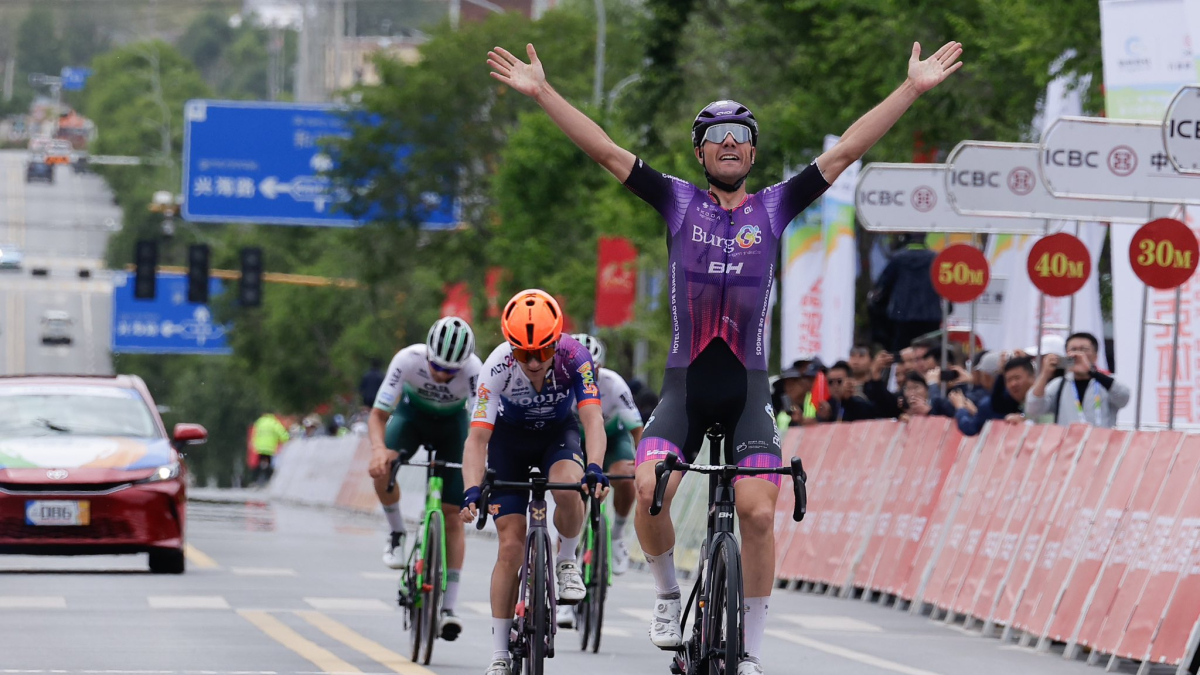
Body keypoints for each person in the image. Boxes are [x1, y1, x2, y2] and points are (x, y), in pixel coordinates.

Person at [486, 35, 963, 675]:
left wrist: (911, 88)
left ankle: (753, 652)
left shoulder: (776, 206)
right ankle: (664, 596)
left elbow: (848, 149)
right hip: (685, 388)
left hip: (747, 393)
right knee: (650, 484)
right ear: (700, 152)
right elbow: (603, 149)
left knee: (758, 512)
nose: (730, 143)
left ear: (754, 150)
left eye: (741, 134)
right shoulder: (677, 201)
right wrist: (543, 92)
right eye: (717, 136)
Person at [458, 291, 608, 675]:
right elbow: (477, 439)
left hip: (557, 436)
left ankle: (567, 559)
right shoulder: (496, 367)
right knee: (509, 545)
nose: (535, 361)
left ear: (557, 340)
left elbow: (592, 421)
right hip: (509, 443)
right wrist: (472, 489)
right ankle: (498, 652)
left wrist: (594, 467)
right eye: (524, 353)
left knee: (569, 486)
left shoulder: (576, 357)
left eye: (543, 351)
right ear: (511, 347)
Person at [367, 316, 481, 641]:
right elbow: (377, 415)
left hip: (453, 427)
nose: (443, 375)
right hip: (411, 418)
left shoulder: (475, 369)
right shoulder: (408, 359)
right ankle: (397, 533)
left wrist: (478, 471)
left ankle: (449, 608)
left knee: (454, 516)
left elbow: (481, 427)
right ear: (428, 353)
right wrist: (378, 450)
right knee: (381, 469)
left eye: (451, 371)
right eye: (437, 366)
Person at [556, 334, 644, 629]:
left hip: (612, 434)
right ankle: (564, 593)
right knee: (571, 503)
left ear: (600, 368)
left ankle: (617, 534)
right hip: (575, 439)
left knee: (626, 473)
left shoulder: (614, 384)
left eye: (591, 370)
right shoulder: (561, 381)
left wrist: (643, 463)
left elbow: (636, 429)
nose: (585, 376)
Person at [1025, 332, 1130, 427]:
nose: (1078, 354)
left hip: (1100, 444)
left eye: (1084, 349)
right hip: (1068, 445)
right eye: (1073, 349)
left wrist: (1091, 372)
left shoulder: (1106, 381)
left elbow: (1124, 397)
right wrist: (1044, 374)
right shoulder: (1059, 384)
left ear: (1095, 356)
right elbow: (1034, 409)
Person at [871, 234, 945, 353]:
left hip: (902, 316)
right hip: (931, 316)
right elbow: (944, 286)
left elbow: (883, 288)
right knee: (930, 353)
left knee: (901, 355)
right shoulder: (935, 258)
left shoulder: (897, 259)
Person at [250, 412, 289, 487]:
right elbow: (282, 433)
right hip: (270, 447)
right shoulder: (273, 422)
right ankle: (267, 480)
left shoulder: (259, 422)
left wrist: (254, 444)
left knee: (261, 463)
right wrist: (287, 439)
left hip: (260, 447)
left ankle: (258, 480)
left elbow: (254, 434)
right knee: (269, 463)